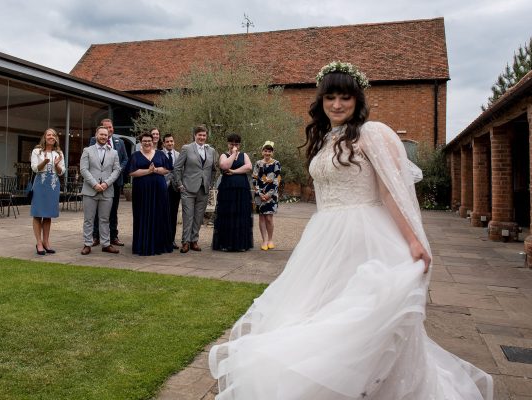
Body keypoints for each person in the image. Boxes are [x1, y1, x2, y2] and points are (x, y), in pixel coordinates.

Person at [209, 62, 493, 399]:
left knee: (360, 320)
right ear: (322, 101)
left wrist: (414, 239)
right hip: (324, 237)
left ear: (357, 100)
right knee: (314, 314)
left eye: (345, 97)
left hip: (365, 234)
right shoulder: (324, 138)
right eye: (331, 98)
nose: (338, 105)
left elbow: (391, 190)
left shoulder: (372, 134)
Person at [173, 125, 218, 253]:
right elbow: (177, 167)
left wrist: (210, 184)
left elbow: (213, 170)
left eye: (204, 135)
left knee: (198, 217)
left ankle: (194, 241)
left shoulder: (211, 151)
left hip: (203, 189)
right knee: (188, 217)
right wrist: (180, 184)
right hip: (187, 188)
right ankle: (185, 242)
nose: (202, 137)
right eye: (200, 135)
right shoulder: (187, 149)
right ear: (195, 135)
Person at [127, 133, 173, 256]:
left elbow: (168, 168)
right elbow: (132, 172)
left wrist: (156, 170)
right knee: (142, 214)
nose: (147, 143)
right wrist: (148, 171)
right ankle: (142, 244)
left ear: (153, 142)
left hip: (159, 189)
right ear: (140, 142)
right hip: (141, 190)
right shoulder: (135, 156)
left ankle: (159, 244)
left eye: (149, 141)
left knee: (159, 214)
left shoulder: (160, 154)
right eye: (144, 141)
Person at [80, 126, 122, 255]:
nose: (104, 137)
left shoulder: (113, 153)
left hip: (107, 190)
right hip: (90, 190)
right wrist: (94, 184)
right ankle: (87, 244)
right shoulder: (87, 150)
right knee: (88, 219)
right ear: (96, 135)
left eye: (106, 135)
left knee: (105, 219)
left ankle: (106, 244)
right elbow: (83, 169)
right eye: (101, 134)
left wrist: (106, 183)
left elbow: (117, 170)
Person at [89, 118, 128, 247]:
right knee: (96, 211)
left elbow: (125, 159)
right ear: (101, 129)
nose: (109, 130)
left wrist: (117, 172)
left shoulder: (120, 142)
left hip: (115, 182)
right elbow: (92, 159)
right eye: (106, 128)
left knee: (113, 211)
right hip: (99, 183)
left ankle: (113, 236)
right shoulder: (93, 141)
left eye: (110, 127)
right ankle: (95, 236)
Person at [212, 133, 253, 252]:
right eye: (231, 143)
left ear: (239, 145)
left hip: (242, 190)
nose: (234, 145)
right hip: (227, 190)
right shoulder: (224, 155)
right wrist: (233, 153)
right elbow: (225, 166)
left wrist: (234, 172)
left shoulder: (244, 155)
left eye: (236, 144)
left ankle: (240, 244)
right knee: (227, 214)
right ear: (228, 144)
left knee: (241, 215)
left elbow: (249, 167)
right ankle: (226, 243)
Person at [30, 128, 65, 255]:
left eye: (53, 135)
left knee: (48, 214)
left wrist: (56, 165)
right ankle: (39, 243)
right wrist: (44, 162)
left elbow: (62, 172)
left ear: (56, 138)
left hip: (53, 185)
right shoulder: (37, 151)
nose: (51, 137)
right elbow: (34, 168)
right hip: (40, 185)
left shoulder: (59, 153)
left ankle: (46, 241)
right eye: (48, 135)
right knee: (38, 213)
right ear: (44, 137)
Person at [252, 141, 281, 251]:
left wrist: (269, 195)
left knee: (269, 218)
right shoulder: (258, 163)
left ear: (272, 152)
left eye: (269, 151)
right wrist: (260, 193)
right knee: (261, 218)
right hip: (259, 194)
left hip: (272, 195)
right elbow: (254, 178)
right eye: (265, 151)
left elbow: (277, 179)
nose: (267, 153)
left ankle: (270, 239)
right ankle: (264, 240)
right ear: (262, 151)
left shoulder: (276, 163)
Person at [162, 133, 181, 249]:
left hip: (175, 189)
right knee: (163, 214)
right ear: (164, 143)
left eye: (171, 141)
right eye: (167, 141)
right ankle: (163, 239)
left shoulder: (179, 155)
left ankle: (172, 240)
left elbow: (181, 170)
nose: (170, 143)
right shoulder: (159, 154)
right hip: (163, 187)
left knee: (173, 215)